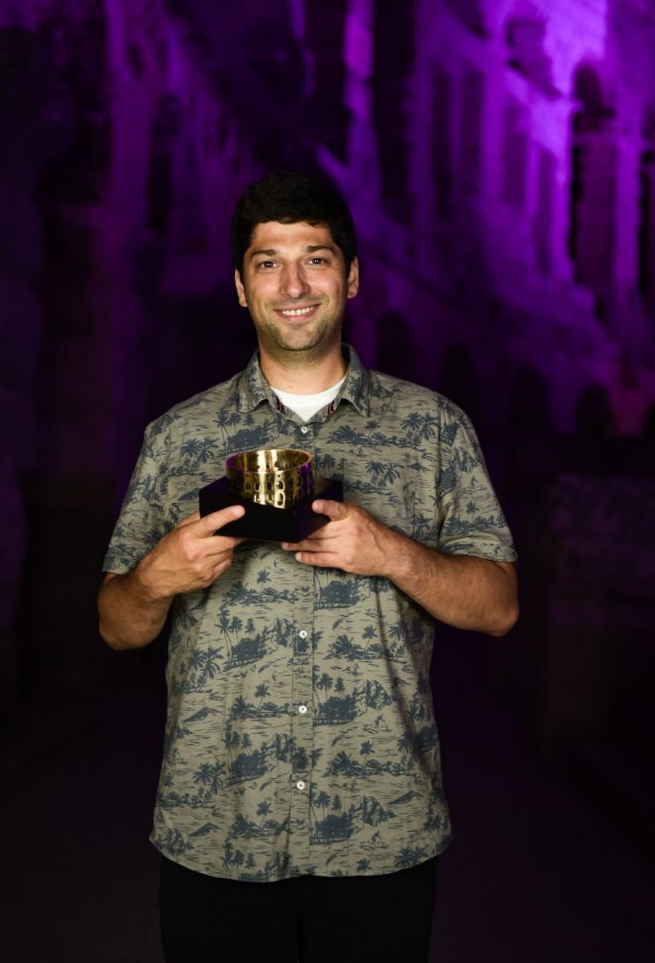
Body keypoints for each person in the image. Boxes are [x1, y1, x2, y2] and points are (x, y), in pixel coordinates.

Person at [98, 170, 518, 962]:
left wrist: (390, 553)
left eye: (315, 259)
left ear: (350, 277)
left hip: (379, 836)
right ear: (240, 286)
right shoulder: (177, 437)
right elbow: (117, 628)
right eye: (268, 263)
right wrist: (156, 577)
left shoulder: (432, 429)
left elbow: (498, 607)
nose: (292, 286)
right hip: (216, 831)